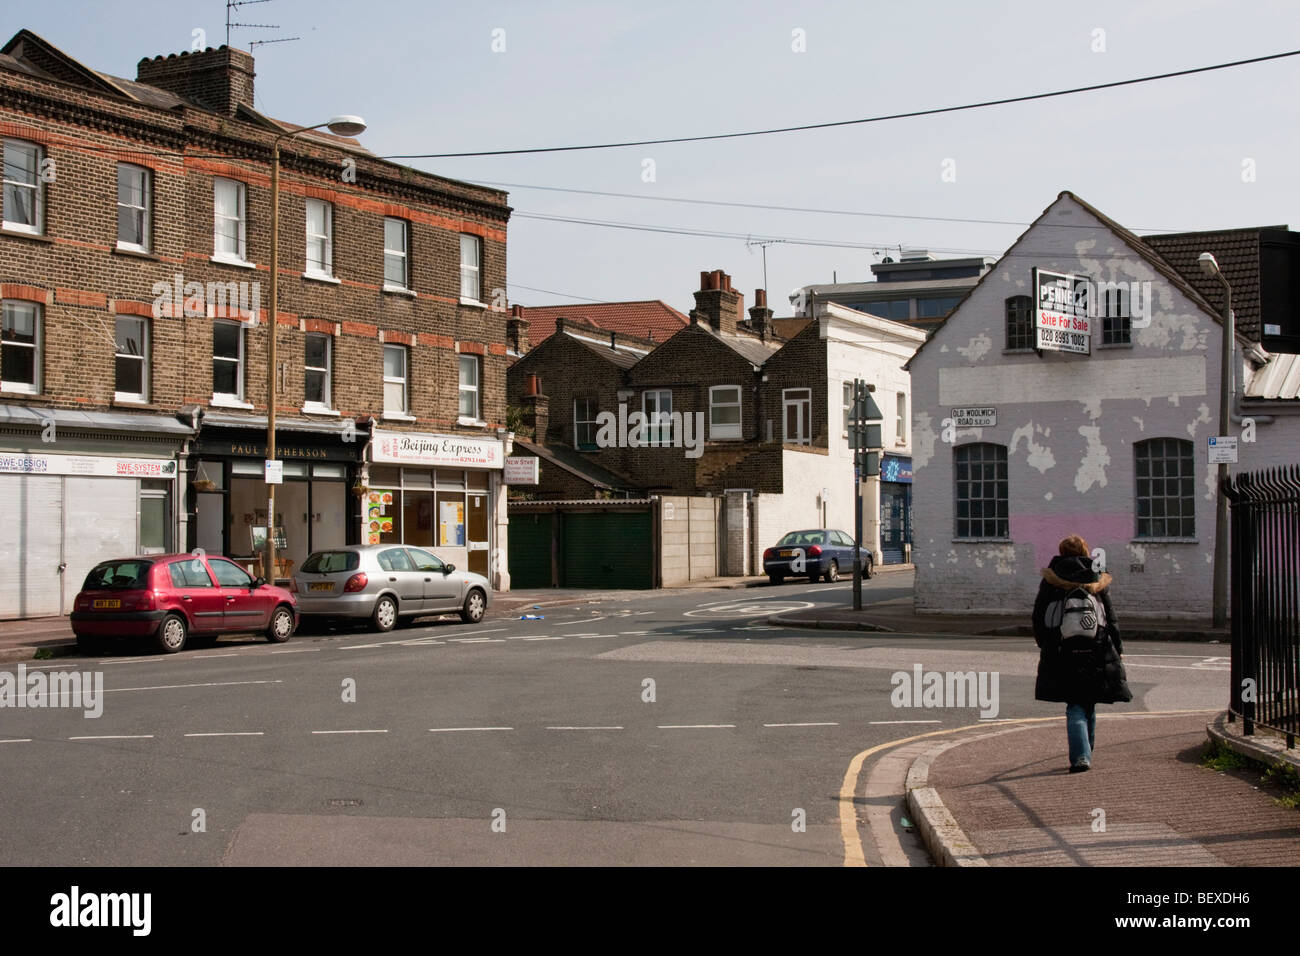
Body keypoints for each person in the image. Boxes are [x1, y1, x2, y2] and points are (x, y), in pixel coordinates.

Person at [1032, 534, 1132, 773]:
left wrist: (1043, 642)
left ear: (1061, 551)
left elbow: (1039, 614)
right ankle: (1086, 752)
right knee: (1088, 699)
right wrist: (1117, 647)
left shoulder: (1052, 578)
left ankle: (1081, 756)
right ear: (1086, 551)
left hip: (1062, 647)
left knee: (1074, 702)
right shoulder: (1096, 577)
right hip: (1096, 646)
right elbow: (1110, 616)